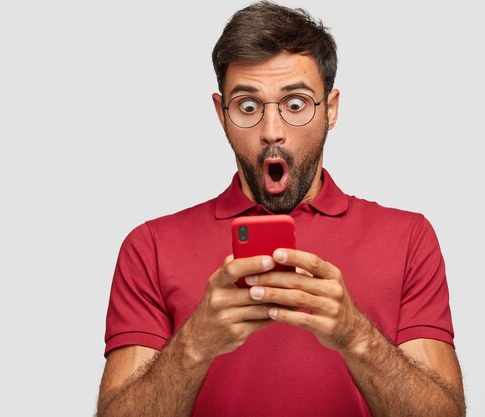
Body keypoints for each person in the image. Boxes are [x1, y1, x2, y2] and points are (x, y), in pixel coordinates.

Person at [97, 2, 465, 416]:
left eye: (295, 104)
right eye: (248, 107)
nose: (272, 132)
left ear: (331, 109)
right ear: (221, 114)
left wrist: (355, 334)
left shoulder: (408, 238)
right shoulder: (150, 246)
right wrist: (195, 343)